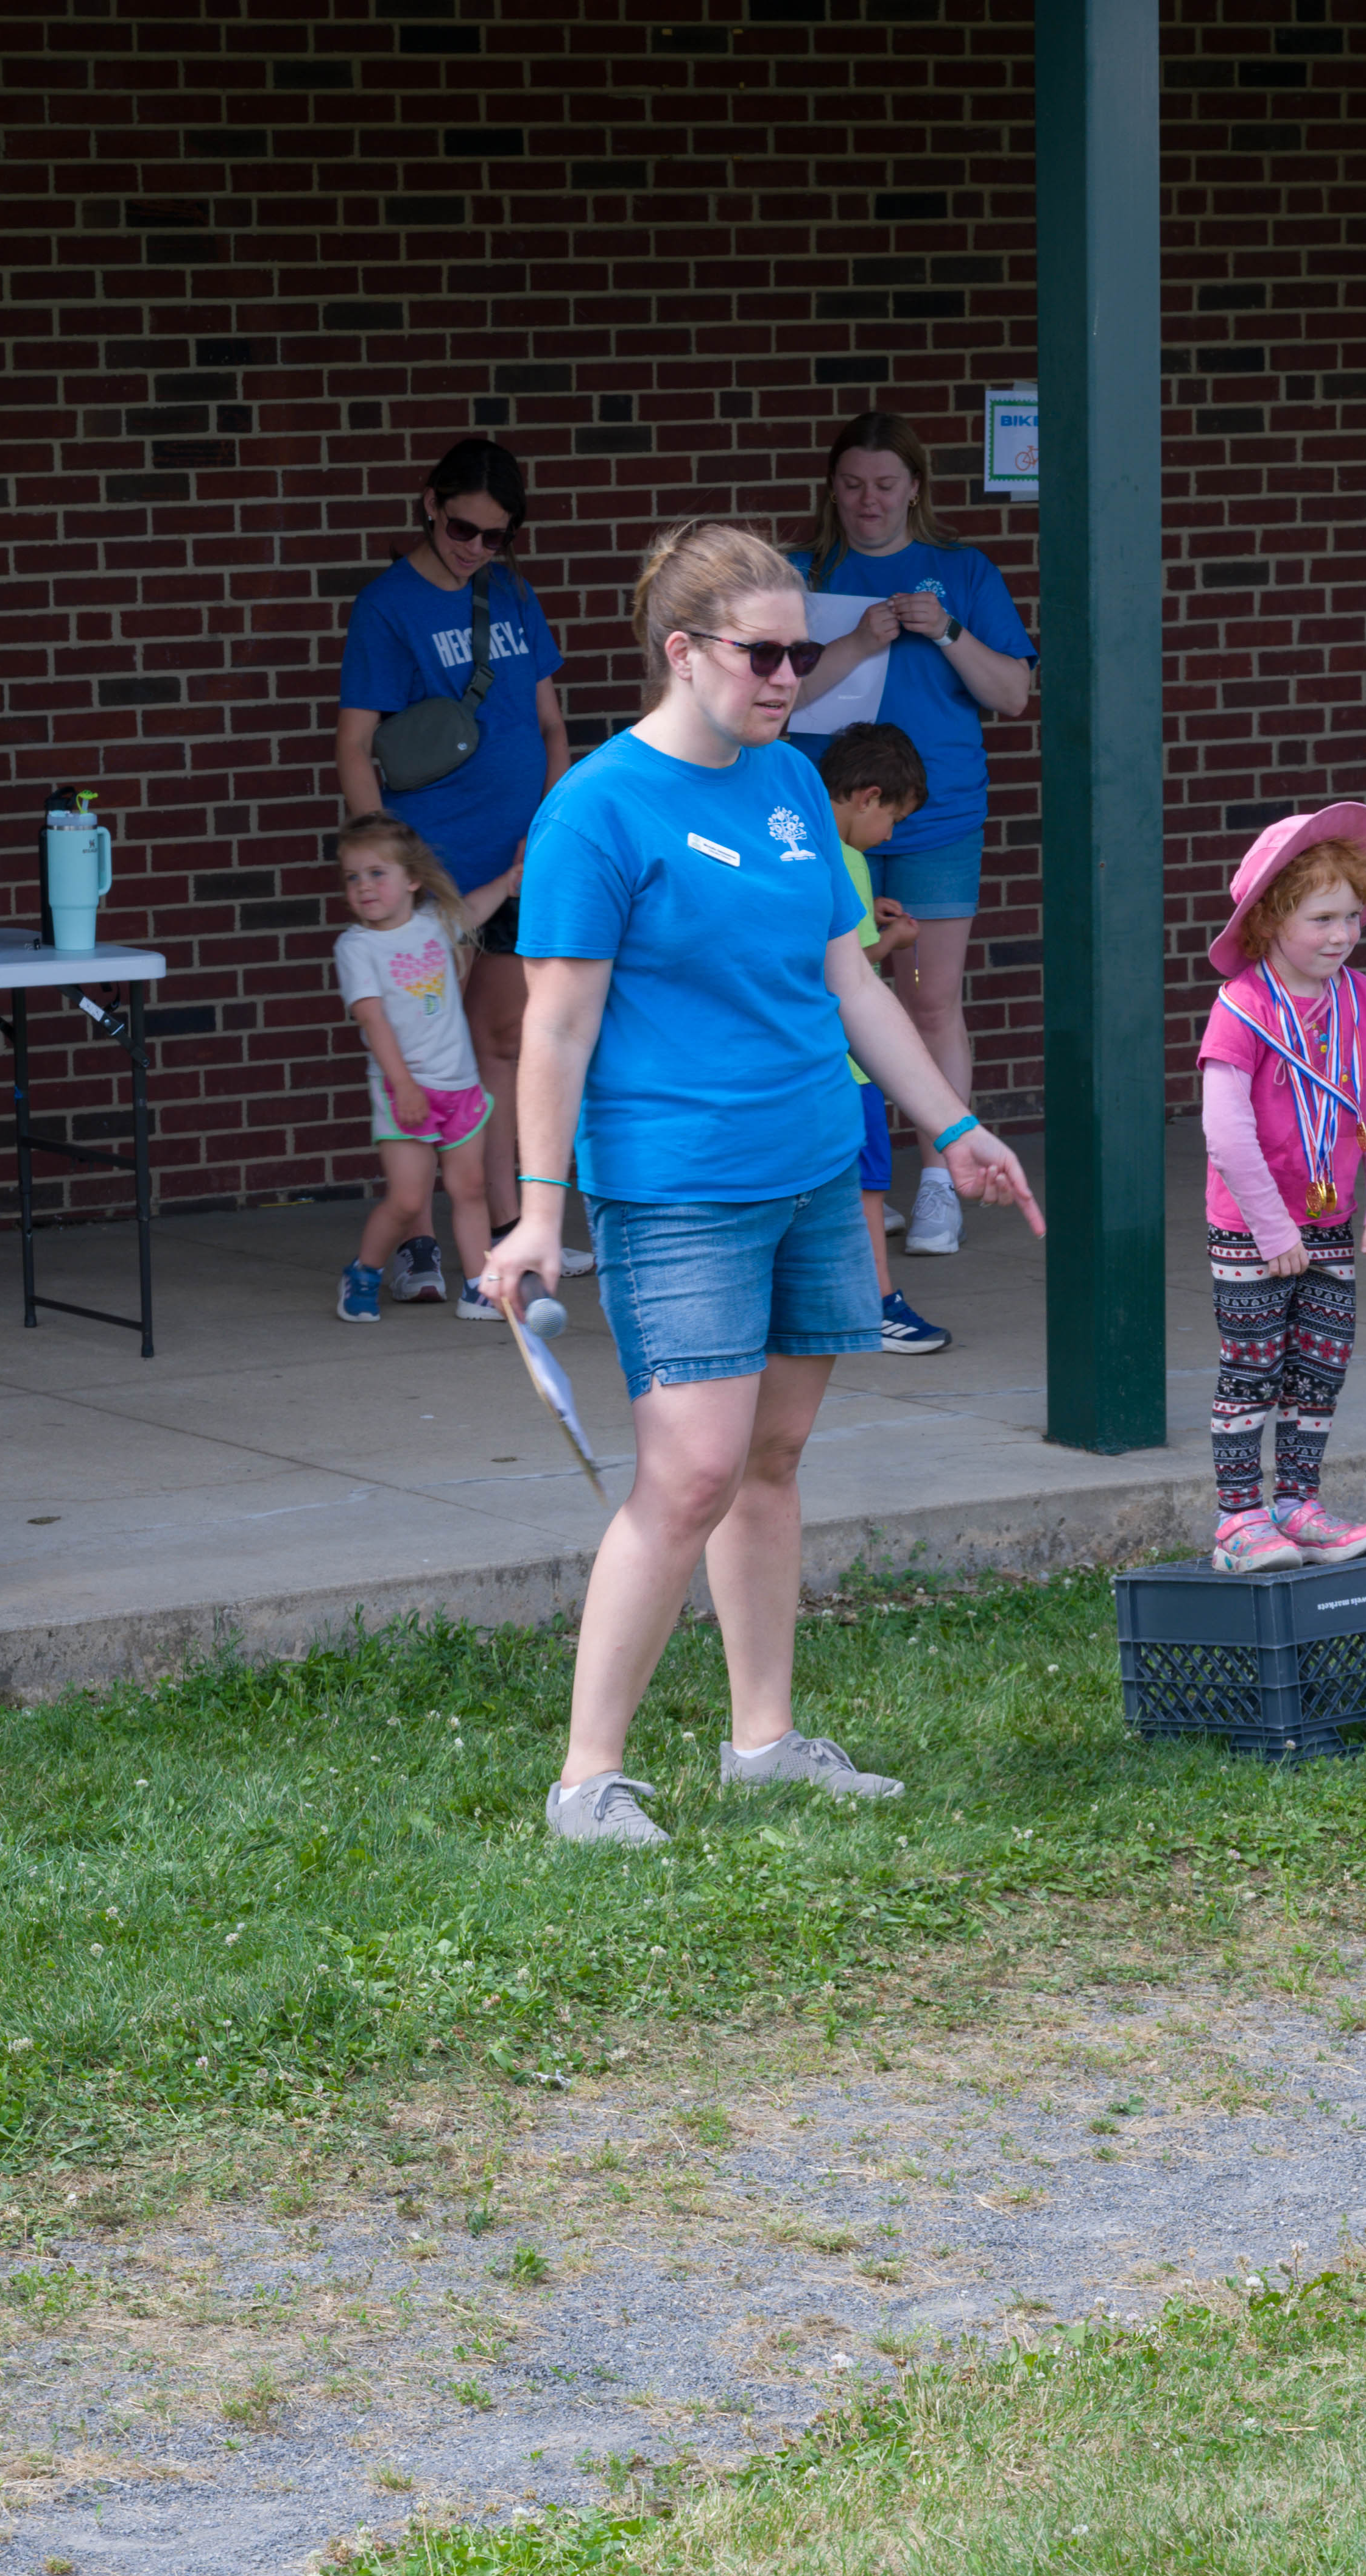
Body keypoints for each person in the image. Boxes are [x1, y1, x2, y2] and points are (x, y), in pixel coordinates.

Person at [479, 518, 1043, 1848]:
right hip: (678, 1189)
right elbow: (552, 1029)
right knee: (688, 1475)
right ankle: (586, 1780)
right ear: (684, 652)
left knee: (772, 1463)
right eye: (768, 653)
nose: (796, 675)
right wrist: (539, 1214)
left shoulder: (791, 786)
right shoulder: (598, 809)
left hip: (804, 1172)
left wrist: (952, 1124)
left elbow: (848, 979)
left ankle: (764, 1743)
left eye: (803, 651)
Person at [784, 409, 1036, 1257]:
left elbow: (1011, 695)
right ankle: (847, 1183)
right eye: (852, 484)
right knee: (825, 994)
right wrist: (854, 644)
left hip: (937, 817)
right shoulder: (801, 571)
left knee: (928, 996)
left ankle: (940, 1181)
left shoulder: (960, 572)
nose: (868, 501)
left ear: (915, 489)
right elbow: (776, 700)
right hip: (825, 821)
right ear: (833, 487)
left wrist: (949, 630)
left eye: (886, 485)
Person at [336, 436, 569, 1283]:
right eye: (463, 528)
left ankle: (509, 1227)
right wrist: (387, 864)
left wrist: (550, 826)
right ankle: (417, 1239)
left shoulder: (507, 592)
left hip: (515, 857)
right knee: (425, 1049)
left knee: (501, 1040)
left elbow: (550, 726)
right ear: (430, 502)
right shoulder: (387, 606)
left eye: (495, 536)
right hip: (435, 870)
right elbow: (356, 744)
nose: (475, 548)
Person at [1198, 803, 1366, 1570]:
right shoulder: (1242, 1007)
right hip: (1253, 1229)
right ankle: (1237, 1518)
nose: (1341, 935)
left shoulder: (1364, 1001)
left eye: (1351, 916)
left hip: (1328, 1221)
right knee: (1251, 1366)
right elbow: (1225, 1134)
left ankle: (1296, 1504)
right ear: (1267, 921)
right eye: (1320, 918)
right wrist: (1270, 1230)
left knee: (1319, 1365)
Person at [329, 815, 520, 1322]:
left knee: (470, 1189)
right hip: (403, 1092)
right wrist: (404, 1086)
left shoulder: (436, 924)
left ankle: (480, 1287)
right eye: (353, 877)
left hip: (460, 1089)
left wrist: (510, 879)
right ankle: (364, 1271)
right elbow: (374, 1024)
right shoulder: (357, 948)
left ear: (412, 879)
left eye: (377, 873)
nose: (364, 887)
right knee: (409, 1199)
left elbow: (476, 908)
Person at [818, 721, 949, 1355]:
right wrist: (890, 943)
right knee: (870, 1184)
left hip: (819, 1060)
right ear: (866, 797)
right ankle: (875, 1302)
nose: (891, 835)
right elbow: (840, 962)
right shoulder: (842, 858)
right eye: (892, 818)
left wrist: (874, 916)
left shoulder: (813, 845)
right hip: (849, 1064)